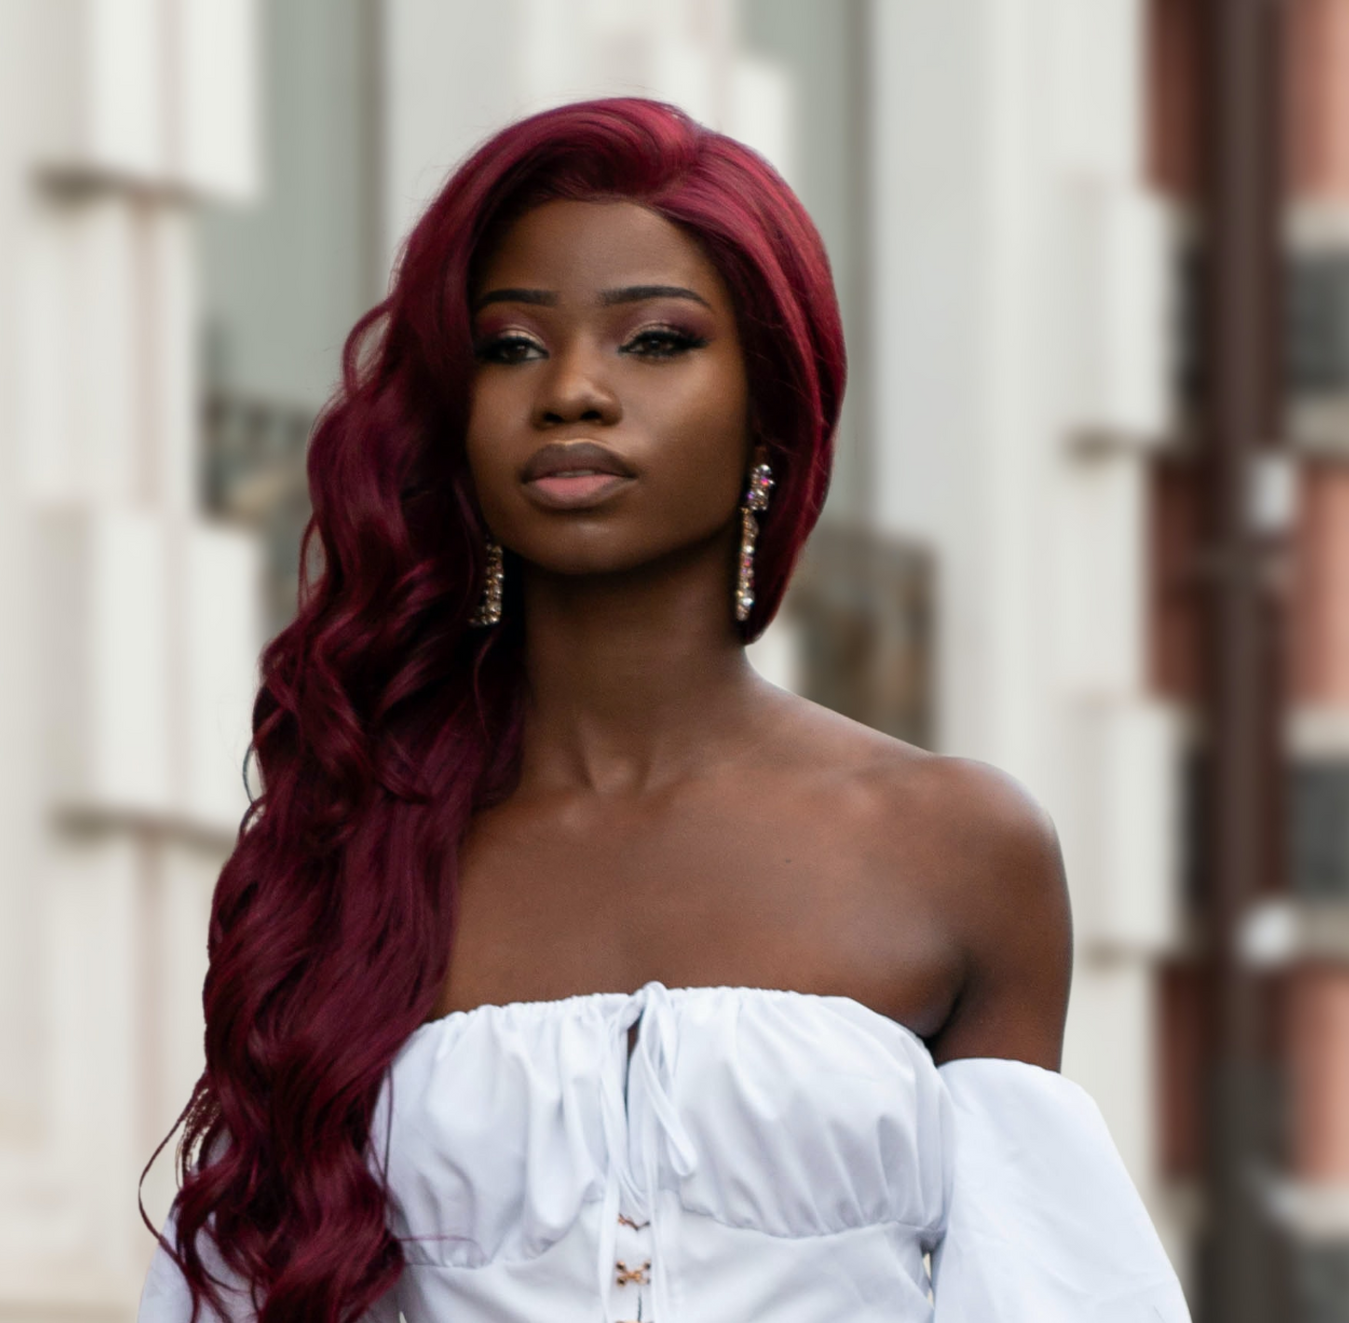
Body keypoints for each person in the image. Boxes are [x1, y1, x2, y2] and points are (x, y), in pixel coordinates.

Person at [139, 98, 1190, 1323]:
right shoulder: (350, 851)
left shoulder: (956, 848)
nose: (574, 390)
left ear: (771, 418)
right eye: (512, 347)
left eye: (655, 340)